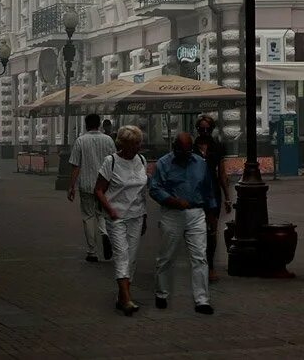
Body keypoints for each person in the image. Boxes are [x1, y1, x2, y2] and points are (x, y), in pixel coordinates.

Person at [149, 133, 214, 315]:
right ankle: (161, 293)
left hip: (195, 212)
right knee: (167, 256)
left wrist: (211, 212)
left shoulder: (200, 163)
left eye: (188, 151)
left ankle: (202, 299)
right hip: (172, 212)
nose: (185, 155)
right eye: (181, 151)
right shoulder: (164, 163)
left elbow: (208, 188)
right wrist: (173, 201)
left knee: (200, 256)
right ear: (174, 147)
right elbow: (154, 188)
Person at [94, 125, 150, 316]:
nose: (138, 147)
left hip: (136, 215)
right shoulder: (111, 162)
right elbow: (99, 190)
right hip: (116, 216)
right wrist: (110, 210)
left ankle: (121, 295)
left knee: (132, 258)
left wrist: (145, 216)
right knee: (122, 255)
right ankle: (126, 299)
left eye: (139, 143)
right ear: (123, 144)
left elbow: (142, 192)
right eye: (134, 144)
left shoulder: (141, 160)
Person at [68, 112, 116, 263]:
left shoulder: (81, 141)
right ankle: (105, 234)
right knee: (102, 214)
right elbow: (115, 162)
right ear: (100, 124)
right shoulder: (108, 140)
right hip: (104, 185)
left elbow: (76, 165)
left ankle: (92, 252)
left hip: (87, 185)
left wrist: (71, 186)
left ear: (86, 124)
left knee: (88, 217)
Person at [194, 115, 232, 281]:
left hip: (212, 192)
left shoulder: (217, 146)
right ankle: (199, 262)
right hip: (195, 193)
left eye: (207, 129)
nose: (204, 132)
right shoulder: (192, 147)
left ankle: (209, 265)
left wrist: (227, 197)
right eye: (201, 129)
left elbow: (222, 173)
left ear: (212, 129)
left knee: (211, 230)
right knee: (197, 230)